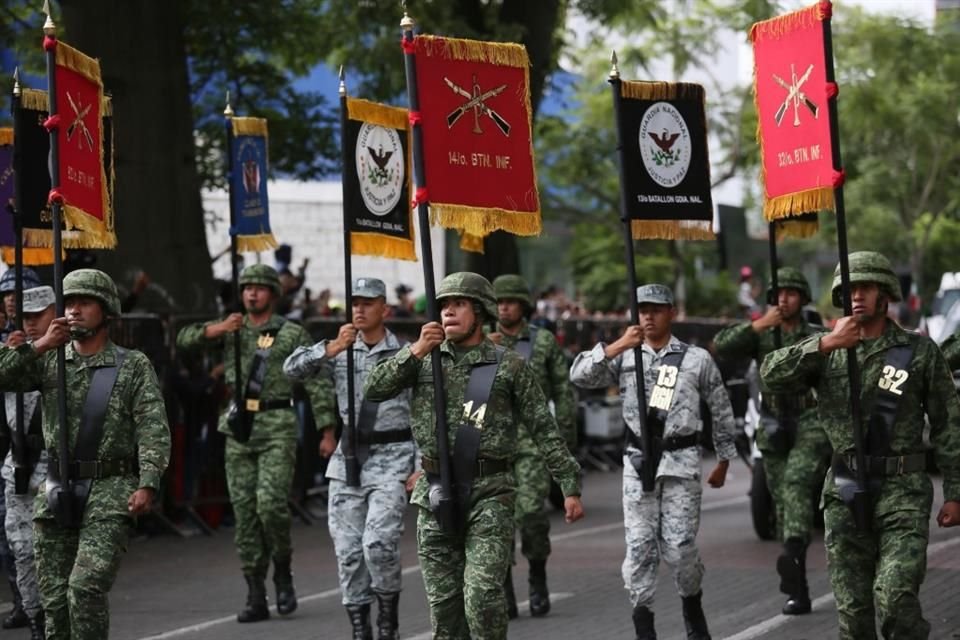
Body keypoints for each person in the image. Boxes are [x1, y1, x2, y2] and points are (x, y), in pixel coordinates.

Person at [363, 272, 584, 640]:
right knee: (445, 613)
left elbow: (543, 427)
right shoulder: (423, 359)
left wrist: (569, 485)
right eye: (444, 305)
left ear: (479, 312)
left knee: (481, 598)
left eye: (459, 304)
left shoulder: (508, 364)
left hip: (490, 492)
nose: (448, 312)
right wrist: (415, 350)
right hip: (436, 494)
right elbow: (373, 389)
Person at [760, 251, 960, 639]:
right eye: (849, 289)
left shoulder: (918, 352)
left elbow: (948, 425)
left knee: (896, 596)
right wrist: (824, 345)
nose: (857, 296)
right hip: (845, 492)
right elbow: (771, 374)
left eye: (866, 287)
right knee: (853, 614)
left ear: (885, 293)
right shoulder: (826, 350)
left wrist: (955, 492)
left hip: (903, 491)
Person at [0, 269, 170, 640]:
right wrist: (41, 344)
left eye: (85, 302)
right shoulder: (49, 359)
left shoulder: (132, 365)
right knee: (55, 602)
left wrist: (148, 482)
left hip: (111, 488)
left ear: (106, 309)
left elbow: (152, 427)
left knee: (85, 588)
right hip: (57, 488)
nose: (75, 310)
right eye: (70, 303)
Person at [569, 284, 736, 640]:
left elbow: (721, 407)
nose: (648, 316)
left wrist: (724, 458)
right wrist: (615, 347)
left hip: (682, 463)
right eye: (642, 309)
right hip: (639, 463)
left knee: (680, 549)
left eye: (656, 309)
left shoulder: (696, 359)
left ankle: (692, 604)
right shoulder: (626, 356)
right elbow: (579, 376)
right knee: (640, 549)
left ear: (671, 312)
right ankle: (644, 626)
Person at [176, 264, 334, 624]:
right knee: (246, 514)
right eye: (246, 287)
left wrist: (327, 430)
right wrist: (218, 328)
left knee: (270, 505)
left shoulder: (291, 332)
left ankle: (282, 568)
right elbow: (183, 340)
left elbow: (315, 379)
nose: (251, 294)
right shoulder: (230, 329)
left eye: (259, 288)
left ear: (273, 295)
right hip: (238, 428)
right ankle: (255, 593)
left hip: (277, 425)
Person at [283, 277, 416, 640]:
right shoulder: (339, 350)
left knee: (378, 543)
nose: (358, 309)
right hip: (348, 461)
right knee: (348, 553)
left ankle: (388, 619)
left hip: (393, 458)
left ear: (384, 310)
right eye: (354, 302)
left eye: (367, 302)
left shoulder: (405, 353)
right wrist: (327, 349)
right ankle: (361, 629)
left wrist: (421, 464)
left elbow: (424, 412)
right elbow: (290, 370)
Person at [713, 267, 831, 615]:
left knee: (796, 485)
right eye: (778, 293)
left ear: (803, 297)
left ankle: (791, 556)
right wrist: (758, 325)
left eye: (791, 293)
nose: (784, 299)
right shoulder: (761, 334)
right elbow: (721, 346)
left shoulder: (817, 335)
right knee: (783, 503)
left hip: (809, 419)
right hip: (771, 420)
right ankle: (799, 585)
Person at [489, 274, 576, 619]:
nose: (504, 307)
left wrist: (565, 443)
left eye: (510, 301)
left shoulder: (541, 342)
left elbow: (562, 390)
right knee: (496, 522)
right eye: (498, 302)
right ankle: (504, 590)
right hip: (490, 445)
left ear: (523, 305)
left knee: (530, 513)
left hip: (531, 443)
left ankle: (537, 577)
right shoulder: (480, 340)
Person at [0, 286, 56, 638]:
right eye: (26, 317)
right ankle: (37, 621)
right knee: (23, 551)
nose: (32, 323)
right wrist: (25, 350)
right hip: (19, 466)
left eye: (39, 315)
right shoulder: (12, 355)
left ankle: (55, 622)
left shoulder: (67, 353)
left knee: (55, 554)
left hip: (56, 467)